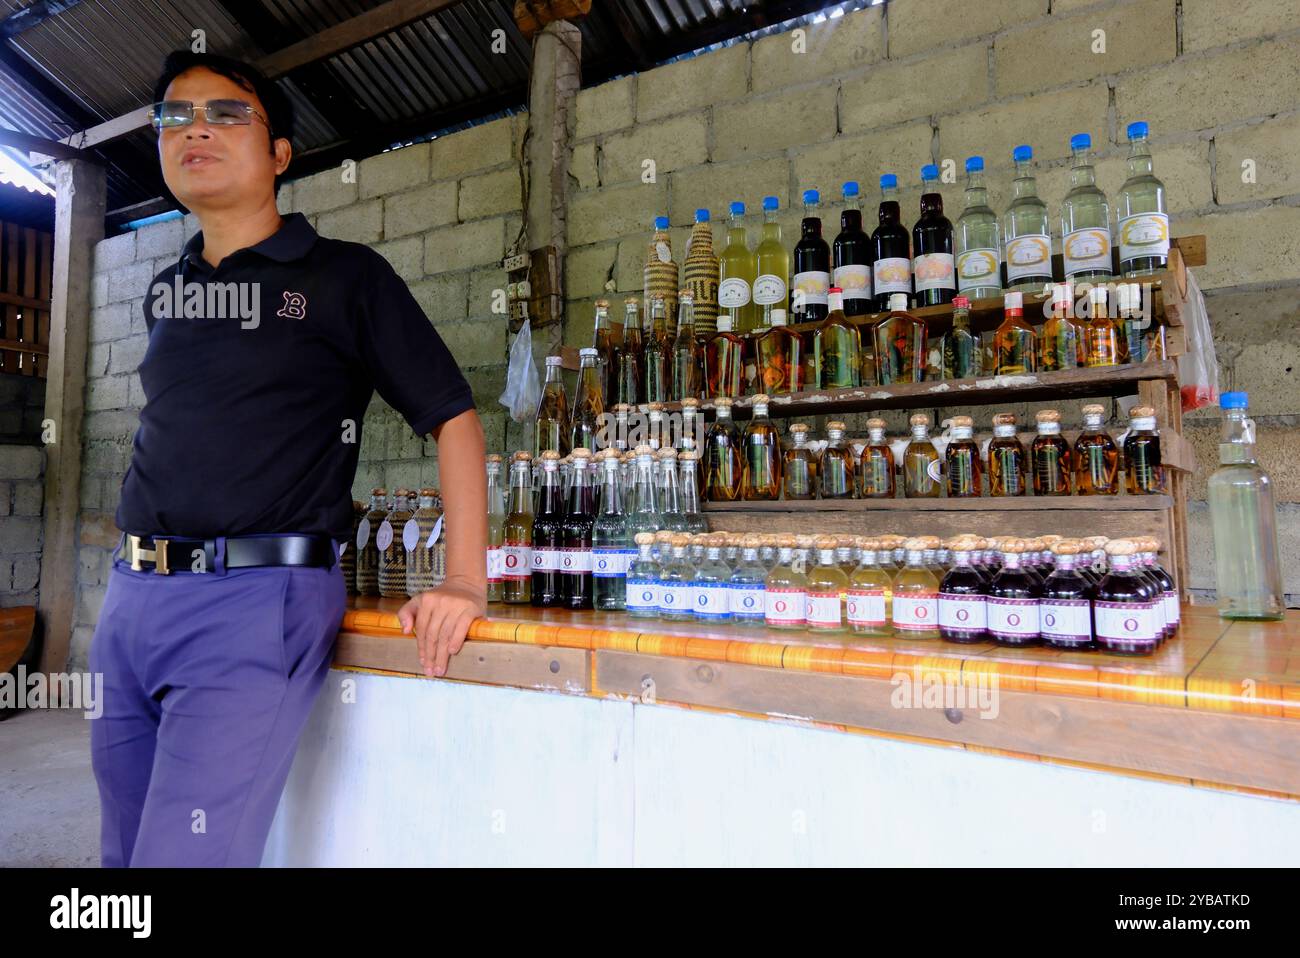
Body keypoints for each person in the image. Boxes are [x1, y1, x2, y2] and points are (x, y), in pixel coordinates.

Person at [88, 50, 488, 867]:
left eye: (226, 113)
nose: (194, 128)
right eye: (173, 117)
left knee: (180, 858)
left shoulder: (344, 276)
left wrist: (464, 578)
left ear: (279, 155)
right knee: (120, 858)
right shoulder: (170, 287)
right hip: (130, 601)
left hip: (253, 600)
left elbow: (452, 415)